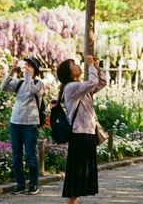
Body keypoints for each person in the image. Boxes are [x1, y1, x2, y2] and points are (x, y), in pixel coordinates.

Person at [57, 56, 107, 204]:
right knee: (76, 176)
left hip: (87, 133)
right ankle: (72, 202)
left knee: (81, 175)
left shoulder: (80, 87)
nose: (78, 65)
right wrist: (90, 65)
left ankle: (74, 202)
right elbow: (92, 82)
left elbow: (101, 83)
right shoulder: (71, 87)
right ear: (68, 72)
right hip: (79, 134)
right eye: (73, 64)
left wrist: (97, 68)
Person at [1, 57, 45, 195]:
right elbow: (3, 87)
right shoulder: (19, 83)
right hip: (15, 123)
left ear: (35, 69)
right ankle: (20, 184)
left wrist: (27, 75)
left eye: (30, 66)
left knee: (31, 156)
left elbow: (32, 90)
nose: (26, 68)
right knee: (16, 156)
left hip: (30, 124)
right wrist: (12, 72)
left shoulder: (39, 83)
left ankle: (33, 184)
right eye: (26, 65)